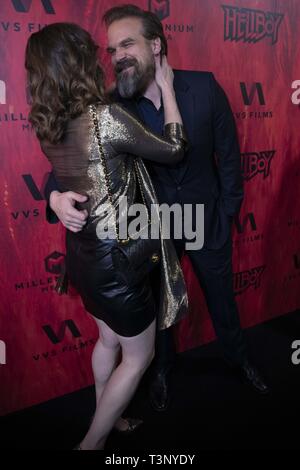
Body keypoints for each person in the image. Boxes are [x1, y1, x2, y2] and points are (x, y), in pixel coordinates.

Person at [45, 5, 269, 413]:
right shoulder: (110, 106)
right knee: (159, 311)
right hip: (149, 229)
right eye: (112, 50)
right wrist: (55, 198)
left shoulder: (203, 88)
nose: (118, 57)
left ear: (156, 45)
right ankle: (161, 371)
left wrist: (227, 212)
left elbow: (229, 157)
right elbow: (65, 169)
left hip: (205, 221)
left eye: (127, 44)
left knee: (222, 300)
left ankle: (240, 360)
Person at [25, 22, 188, 450]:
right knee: (139, 357)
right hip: (118, 264)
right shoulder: (105, 118)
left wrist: (56, 196)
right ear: (79, 63)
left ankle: (107, 415)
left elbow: (67, 174)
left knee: (108, 341)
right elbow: (173, 150)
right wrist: (168, 89)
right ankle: (92, 442)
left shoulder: (49, 123)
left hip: (83, 258)